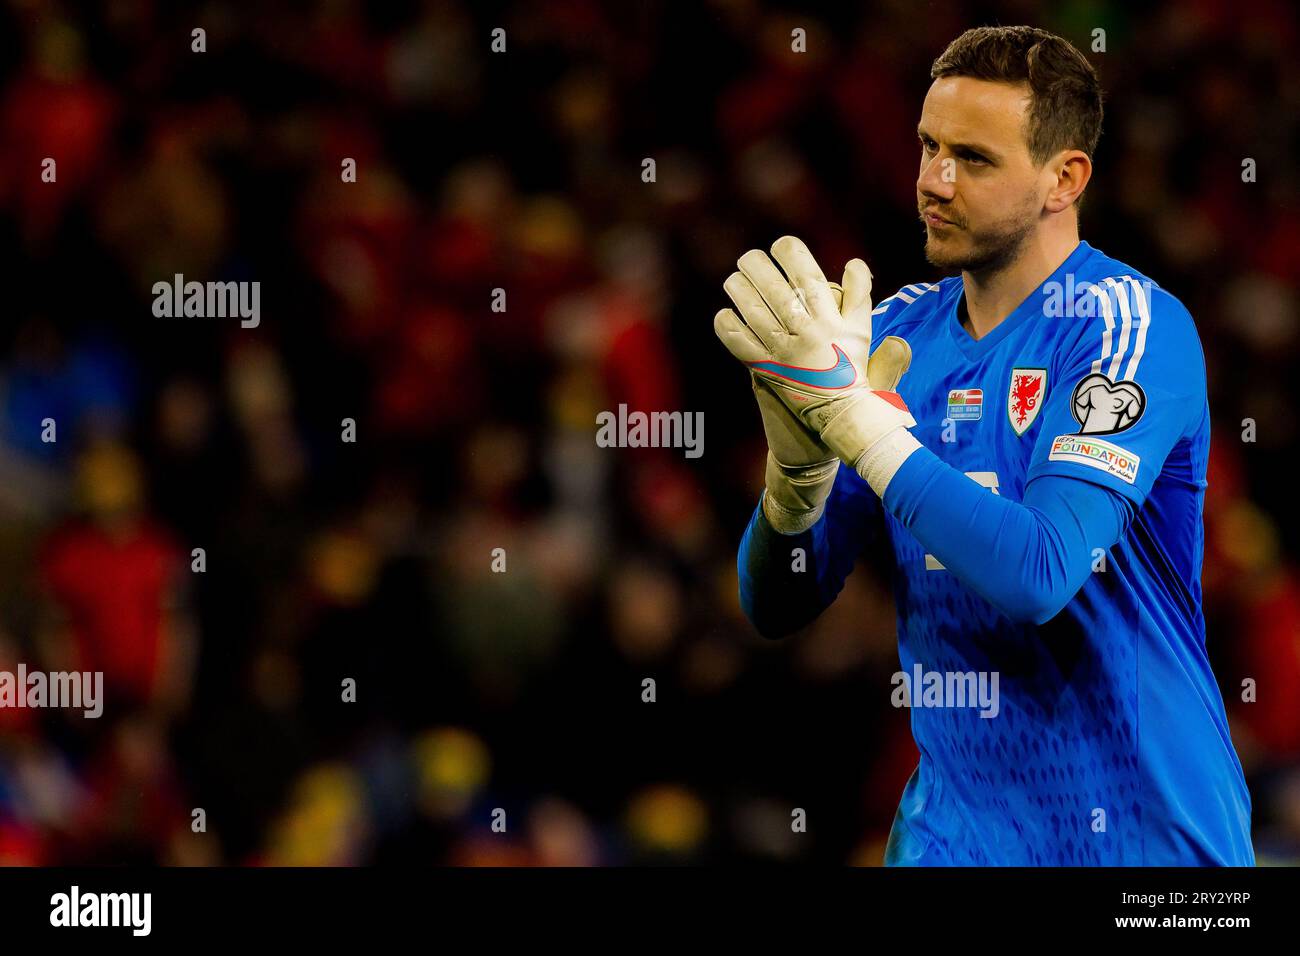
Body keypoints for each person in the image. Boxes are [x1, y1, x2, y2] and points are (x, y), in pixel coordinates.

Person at [718, 25, 1253, 865]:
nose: (933, 180)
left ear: (1063, 179)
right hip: (953, 842)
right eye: (928, 146)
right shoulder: (892, 339)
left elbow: (1038, 574)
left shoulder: (1127, 327)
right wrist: (797, 481)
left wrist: (857, 425)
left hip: (1148, 845)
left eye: (972, 158)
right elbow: (777, 605)